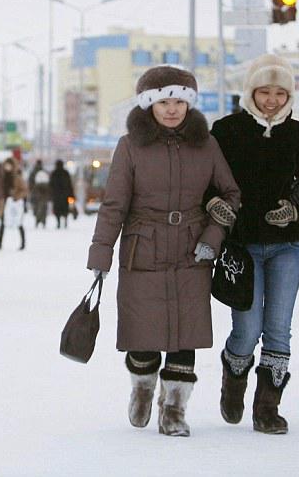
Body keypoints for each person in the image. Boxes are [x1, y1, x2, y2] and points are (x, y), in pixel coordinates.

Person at [87, 66, 241, 437]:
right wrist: (101, 252)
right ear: (149, 105)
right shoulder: (129, 146)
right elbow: (114, 205)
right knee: (143, 334)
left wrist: (213, 236)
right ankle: (142, 386)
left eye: (179, 101)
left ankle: (174, 409)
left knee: (186, 334)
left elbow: (231, 195)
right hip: (143, 247)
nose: (172, 109)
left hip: (192, 250)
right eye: (163, 102)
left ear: (189, 104)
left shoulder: (206, 145)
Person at [210, 54, 299, 434]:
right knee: (247, 328)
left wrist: (297, 208)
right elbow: (207, 178)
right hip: (242, 245)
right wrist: (214, 204)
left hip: (286, 246)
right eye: (265, 92)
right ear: (251, 92)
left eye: (281, 93)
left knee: (278, 328)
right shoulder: (226, 131)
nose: (273, 100)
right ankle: (234, 380)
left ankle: (267, 409)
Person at [0, 157, 28, 250]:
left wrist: (16, 196)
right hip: (5, 203)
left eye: (9, 165)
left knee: (19, 223)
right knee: (2, 223)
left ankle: (23, 243)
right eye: (6, 165)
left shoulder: (17, 177)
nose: (7, 167)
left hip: (15, 204)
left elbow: (24, 190)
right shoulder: (2, 177)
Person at [49, 159, 75, 228]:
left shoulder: (54, 173)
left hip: (56, 195)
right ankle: (65, 220)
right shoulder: (65, 173)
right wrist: (71, 195)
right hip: (65, 195)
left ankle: (58, 222)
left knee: (57, 210)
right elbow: (69, 185)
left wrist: (51, 195)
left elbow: (50, 185)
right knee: (65, 209)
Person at [28, 159, 50, 229]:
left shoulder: (33, 172)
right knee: (43, 208)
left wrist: (31, 191)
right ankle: (43, 221)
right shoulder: (44, 172)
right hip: (44, 194)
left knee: (36, 208)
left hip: (35, 193)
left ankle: (37, 221)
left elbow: (30, 183)